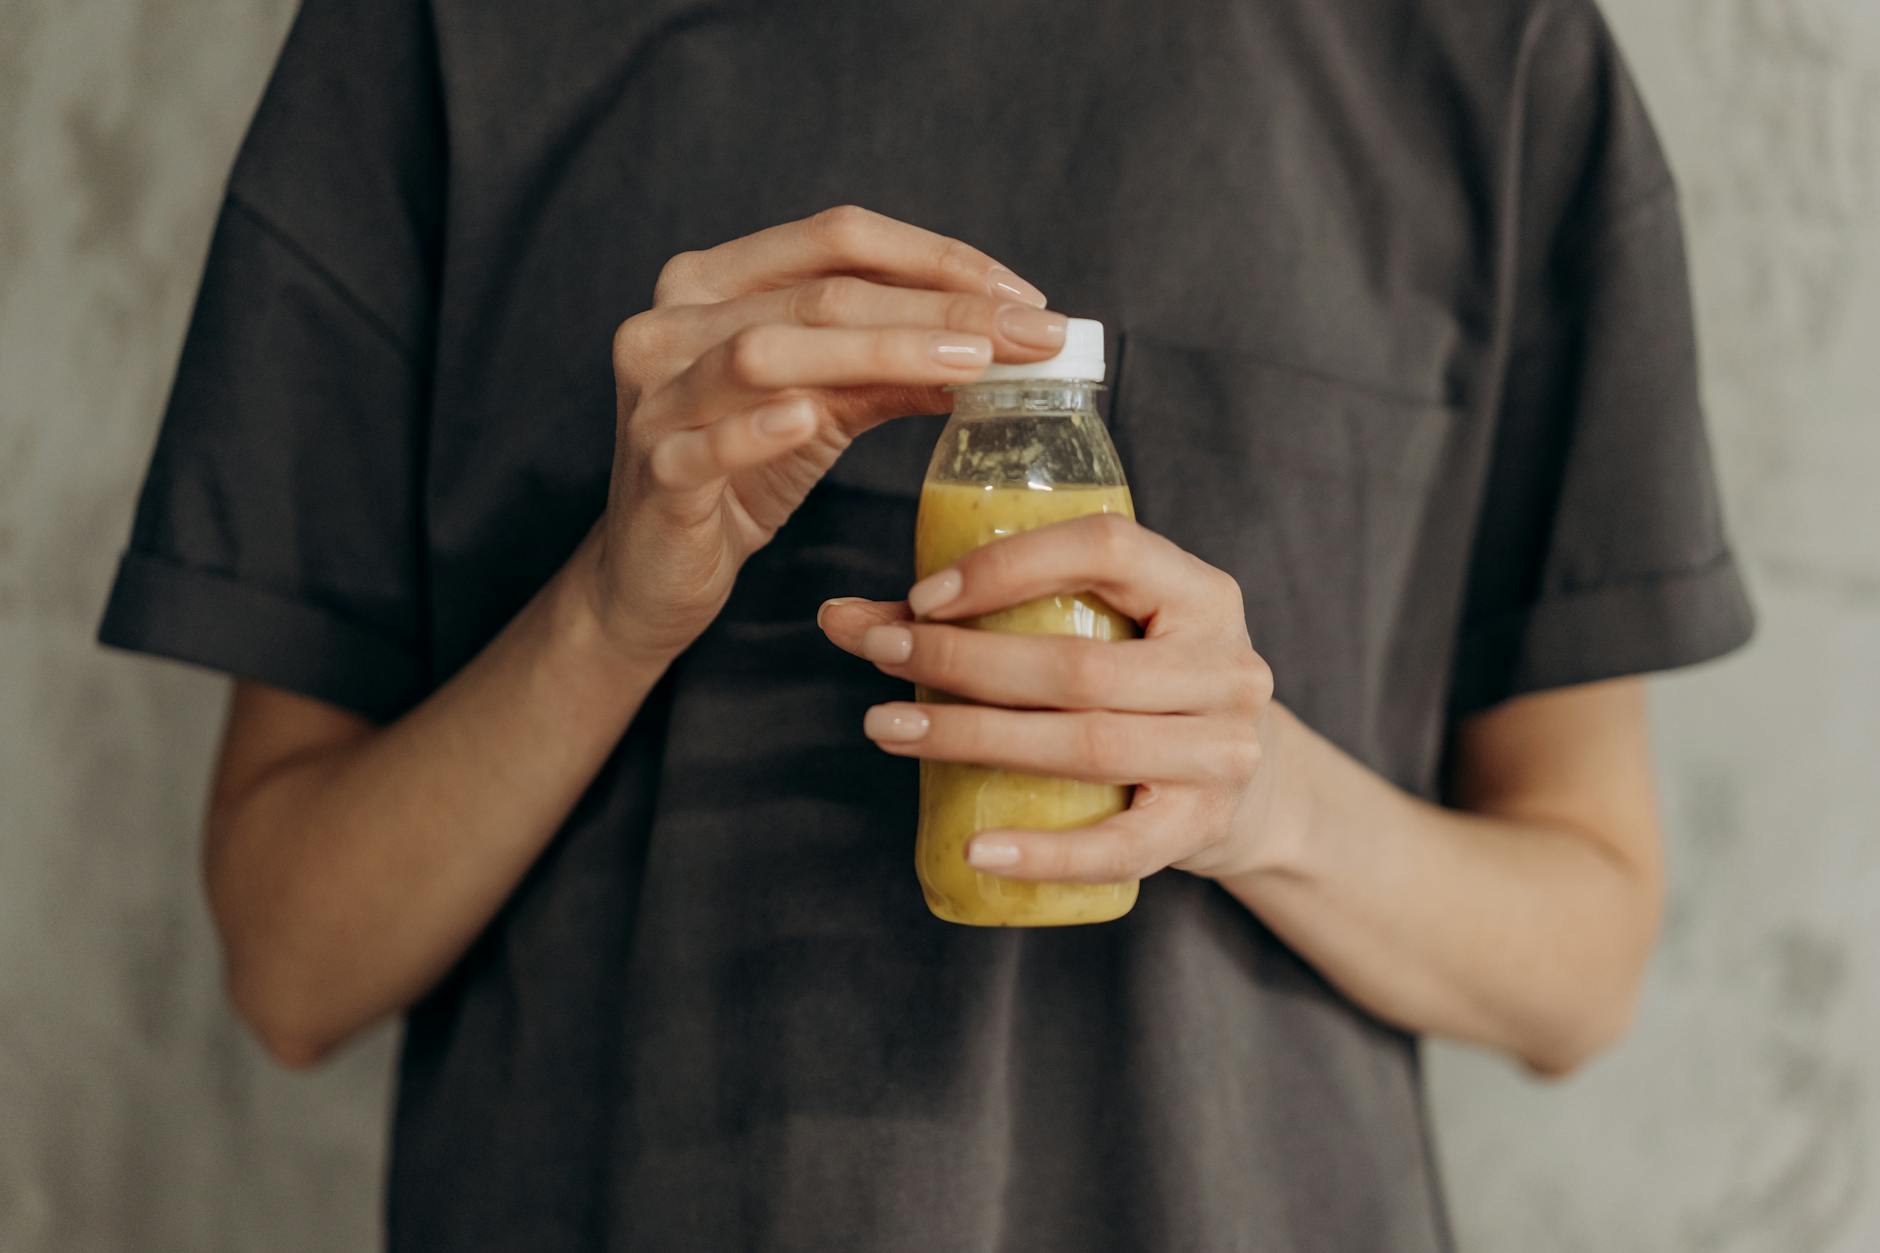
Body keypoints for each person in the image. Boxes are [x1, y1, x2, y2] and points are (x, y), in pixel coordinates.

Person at [98, 0, 1754, 1248]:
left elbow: (1585, 954)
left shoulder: (1487, 54)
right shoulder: (441, 37)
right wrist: (609, 612)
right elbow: (291, 958)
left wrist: (1263, 797)